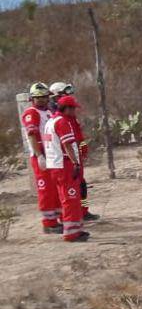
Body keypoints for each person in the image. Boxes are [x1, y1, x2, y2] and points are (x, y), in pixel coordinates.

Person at [50, 82, 98, 222]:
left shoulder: (69, 114)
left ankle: (83, 211)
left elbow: (77, 132)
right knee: (68, 190)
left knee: (81, 185)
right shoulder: (56, 116)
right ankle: (68, 216)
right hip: (63, 158)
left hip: (74, 154)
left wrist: (82, 145)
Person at [43, 95, 88, 242]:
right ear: (66, 108)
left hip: (55, 165)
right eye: (73, 108)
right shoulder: (62, 122)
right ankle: (71, 232)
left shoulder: (51, 121)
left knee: (69, 196)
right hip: (64, 164)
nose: (75, 111)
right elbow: (67, 144)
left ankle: (75, 227)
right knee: (71, 197)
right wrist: (76, 162)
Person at [21, 82, 61, 234]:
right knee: (46, 190)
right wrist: (39, 155)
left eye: (45, 97)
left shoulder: (48, 112)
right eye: (39, 98)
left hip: (51, 154)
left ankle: (56, 218)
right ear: (32, 98)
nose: (43, 100)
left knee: (55, 188)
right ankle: (48, 223)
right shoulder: (32, 113)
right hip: (41, 155)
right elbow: (32, 135)